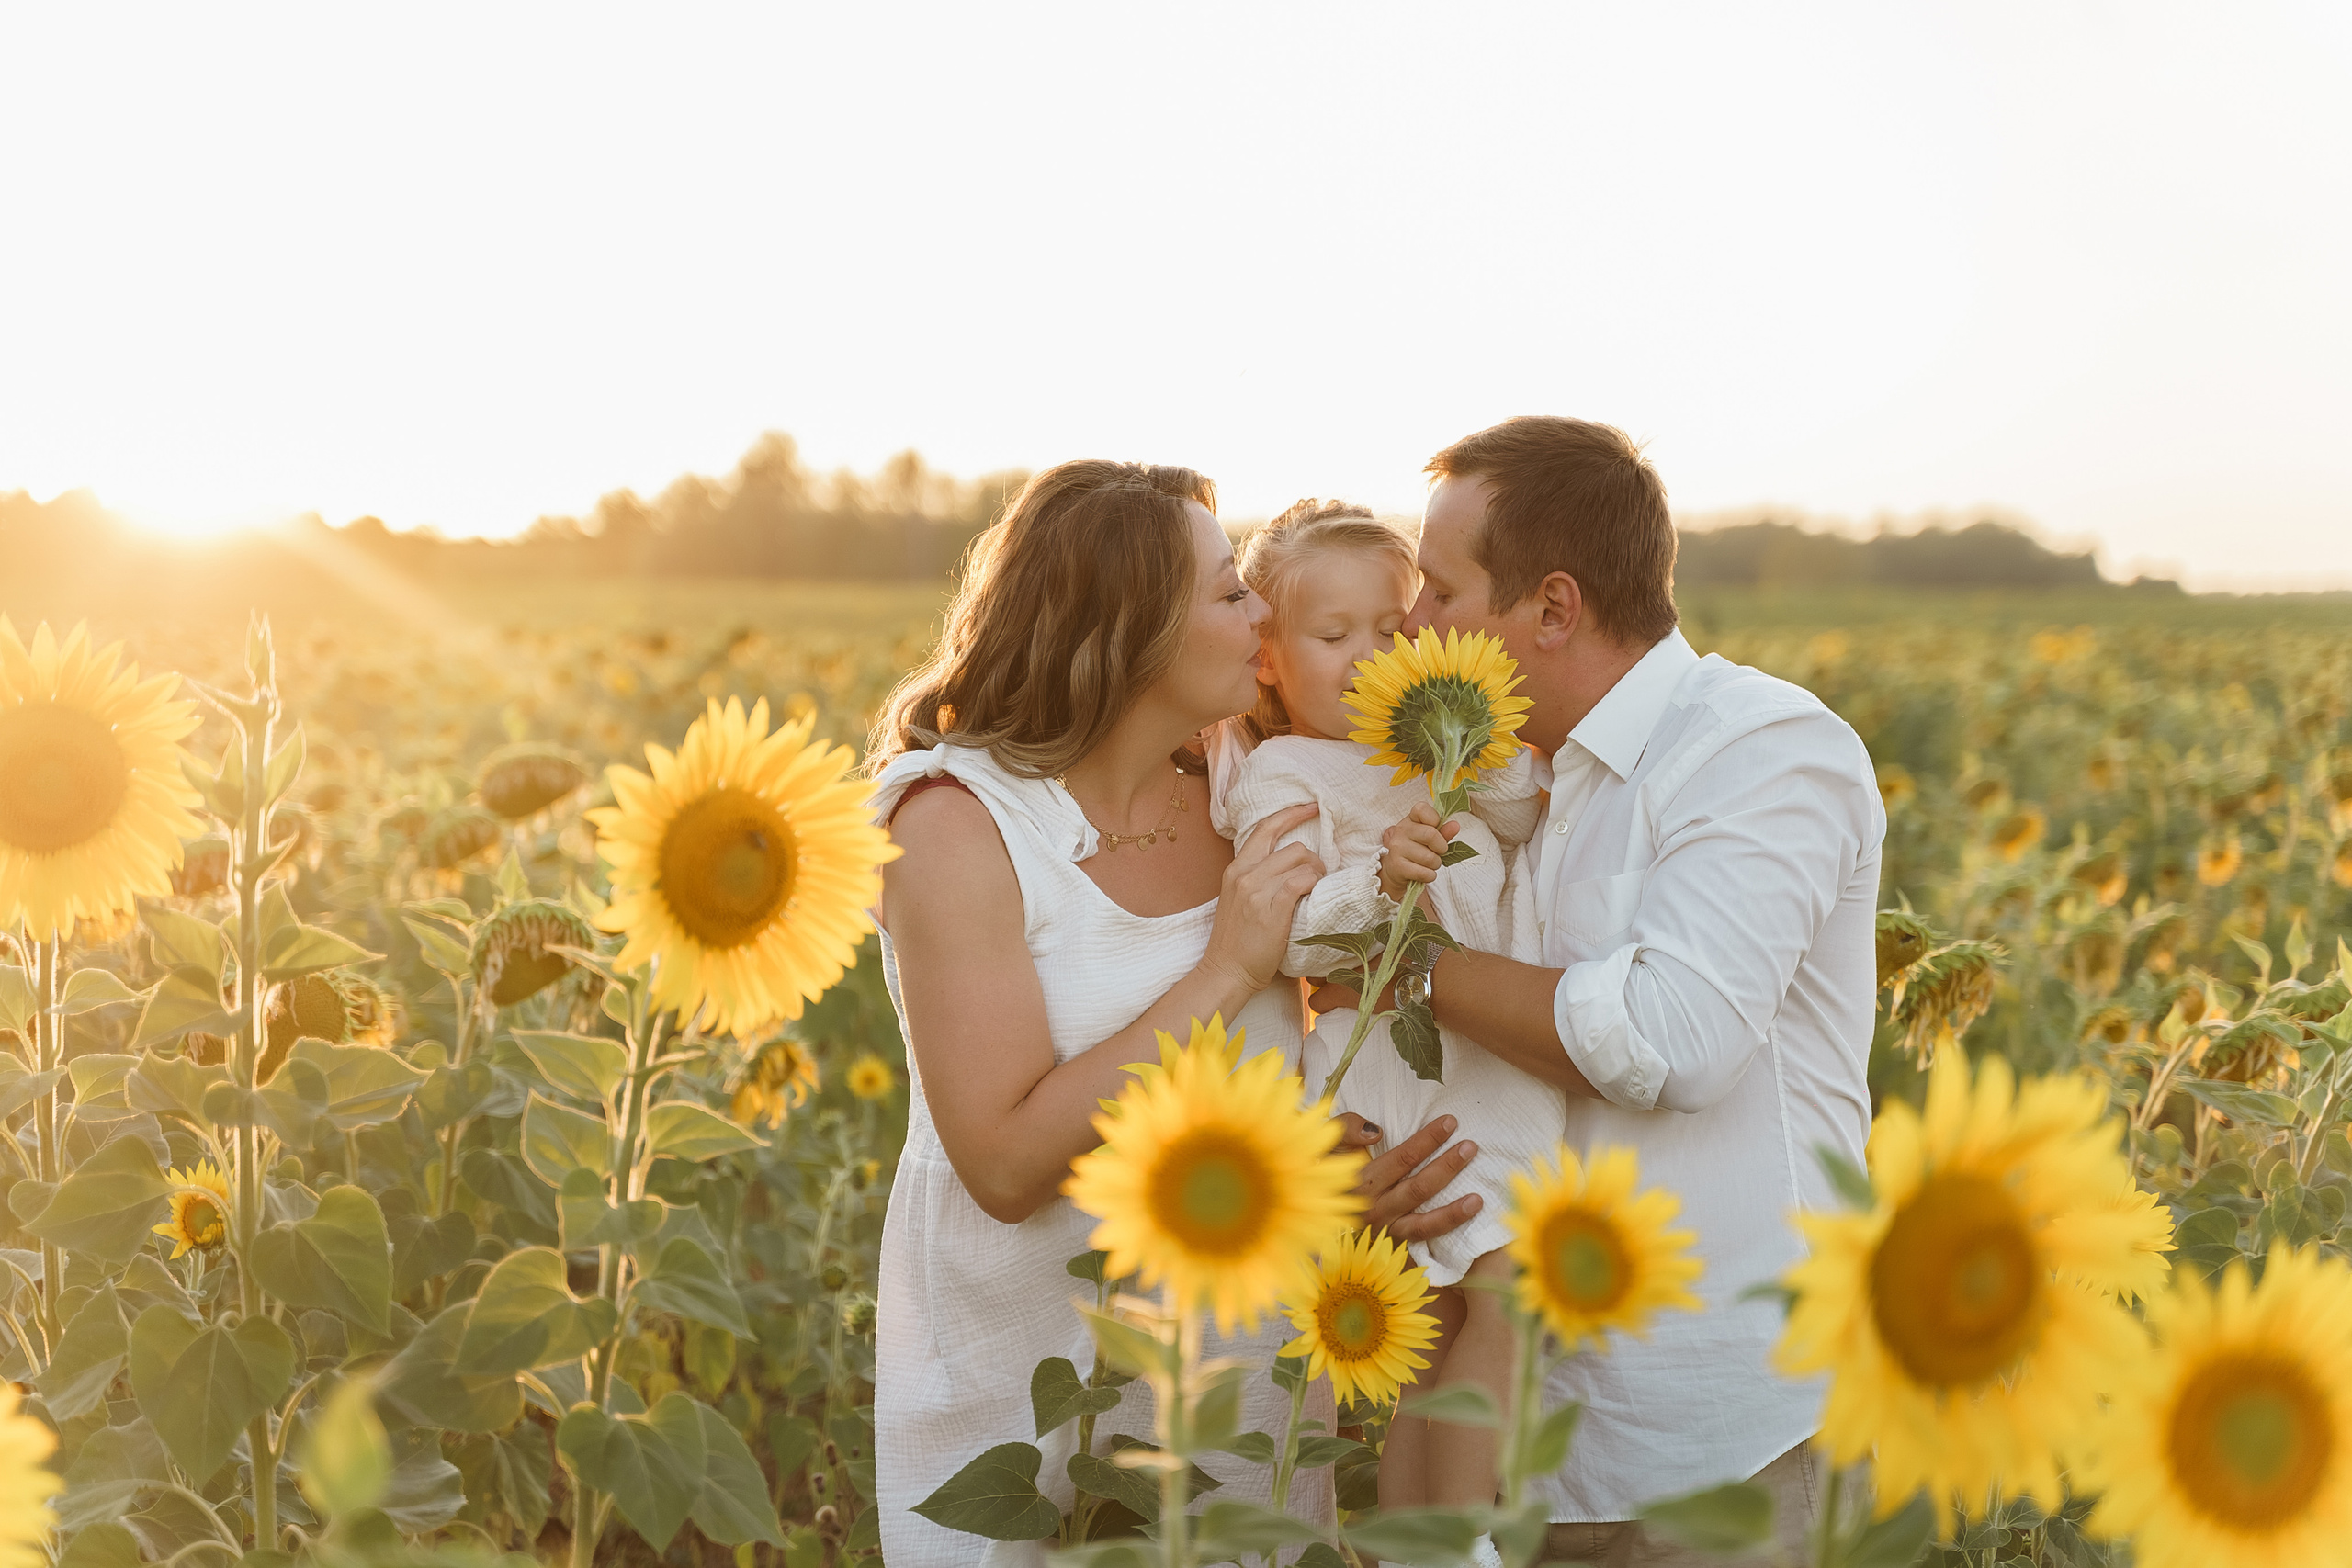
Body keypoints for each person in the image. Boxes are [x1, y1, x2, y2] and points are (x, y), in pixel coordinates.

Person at [864, 460, 1482, 1567]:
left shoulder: (1242, 788)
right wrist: (1225, 970)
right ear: (1132, 628)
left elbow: (1311, 1050)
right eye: (1226, 591)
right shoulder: (959, 826)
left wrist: (1338, 1180)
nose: (1258, 612)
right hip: (1039, 1404)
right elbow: (1002, 1164)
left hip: (1239, 1389)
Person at [1317, 418, 1884, 1566]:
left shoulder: (1762, 750)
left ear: (1554, 609)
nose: (1414, 622)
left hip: (1727, 1442)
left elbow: (1672, 1042)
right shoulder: (1491, 776)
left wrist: (1403, 967)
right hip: (1526, 1454)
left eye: (1440, 587)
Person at [1206, 499, 1560, 1560]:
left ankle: (1416, 1547)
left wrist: (1467, 724)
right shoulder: (1288, 775)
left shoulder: (1427, 747)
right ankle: (1458, 1544)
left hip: (1484, 1056)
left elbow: (1518, 805)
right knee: (1500, 1298)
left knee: (1456, 1319)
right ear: (1267, 659)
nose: (1371, 657)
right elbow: (1291, 932)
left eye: (1393, 631)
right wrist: (1380, 876)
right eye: (1333, 635)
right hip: (1405, 1068)